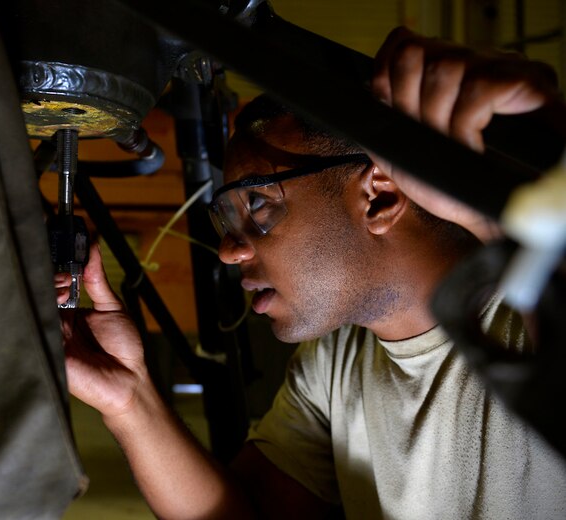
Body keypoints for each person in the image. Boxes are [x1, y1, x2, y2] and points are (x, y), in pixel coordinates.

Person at [57, 27, 566, 519]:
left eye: (256, 204)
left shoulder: (529, 323)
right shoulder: (331, 363)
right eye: (227, 218)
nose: (229, 252)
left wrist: (489, 203)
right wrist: (128, 397)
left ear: (379, 196)